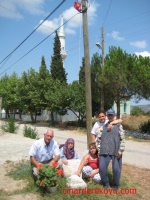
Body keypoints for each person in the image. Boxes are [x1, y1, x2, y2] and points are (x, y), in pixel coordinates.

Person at [96, 108, 125, 190]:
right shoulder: (103, 127)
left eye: (111, 115)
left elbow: (122, 139)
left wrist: (120, 151)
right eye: (109, 115)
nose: (110, 116)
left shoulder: (119, 126)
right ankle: (105, 183)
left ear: (114, 115)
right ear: (107, 116)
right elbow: (98, 139)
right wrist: (98, 149)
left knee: (116, 169)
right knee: (102, 168)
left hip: (115, 151)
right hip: (104, 150)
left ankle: (115, 185)